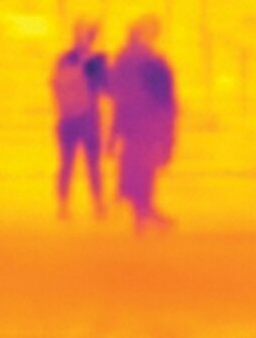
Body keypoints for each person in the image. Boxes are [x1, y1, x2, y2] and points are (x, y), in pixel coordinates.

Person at [107, 18, 178, 234]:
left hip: (132, 116)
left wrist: (115, 129)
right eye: (151, 32)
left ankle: (141, 209)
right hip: (146, 116)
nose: (154, 36)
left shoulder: (124, 57)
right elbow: (162, 93)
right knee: (144, 163)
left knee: (139, 162)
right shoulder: (147, 59)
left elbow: (116, 91)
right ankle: (142, 210)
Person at [49, 20, 109, 220]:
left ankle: (63, 206)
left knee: (66, 163)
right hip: (89, 120)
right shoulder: (95, 61)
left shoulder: (63, 59)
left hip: (66, 120)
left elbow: (54, 85)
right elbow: (107, 88)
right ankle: (98, 205)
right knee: (93, 164)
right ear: (92, 38)